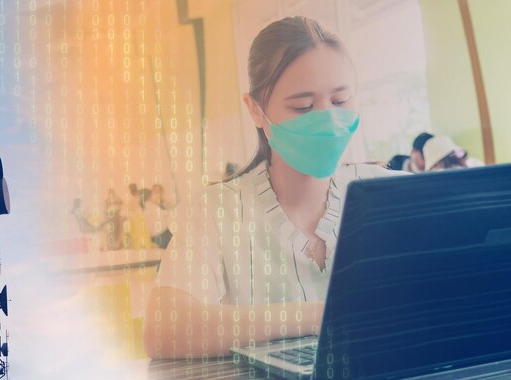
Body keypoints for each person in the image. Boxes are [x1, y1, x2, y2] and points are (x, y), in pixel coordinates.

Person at [143, 16, 404, 359]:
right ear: (255, 110)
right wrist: (316, 316)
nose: (326, 119)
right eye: (303, 107)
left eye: (340, 101)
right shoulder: (218, 212)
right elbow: (165, 330)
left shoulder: (393, 197)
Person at [143, 184, 173, 249]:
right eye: (156, 192)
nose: (158, 195)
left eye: (160, 193)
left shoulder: (158, 206)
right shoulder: (147, 206)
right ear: (151, 193)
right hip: (160, 237)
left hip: (165, 234)